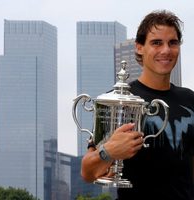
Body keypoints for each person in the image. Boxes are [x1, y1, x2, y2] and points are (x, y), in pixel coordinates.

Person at [81, 10, 194, 200]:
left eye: (172, 43)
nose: (166, 50)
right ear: (139, 47)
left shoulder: (189, 99)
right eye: (156, 42)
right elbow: (87, 172)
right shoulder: (118, 101)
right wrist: (108, 152)